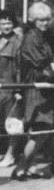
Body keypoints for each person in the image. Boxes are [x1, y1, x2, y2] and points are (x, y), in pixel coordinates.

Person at [13, 2, 54, 180]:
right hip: (37, 89)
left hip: (47, 87)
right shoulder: (30, 37)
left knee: (50, 127)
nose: (45, 23)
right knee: (42, 129)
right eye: (41, 20)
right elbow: (38, 61)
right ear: (32, 20)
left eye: (47, 20)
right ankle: (21, 168)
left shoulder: (45, 36)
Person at [0, 9, 22, 167]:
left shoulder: (18, 42)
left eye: (8, 23)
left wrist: (19, 90)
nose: (6, 26)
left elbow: (20, 68)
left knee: (12, 123)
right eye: (2, 23)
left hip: (10, 87)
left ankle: (11, 154)